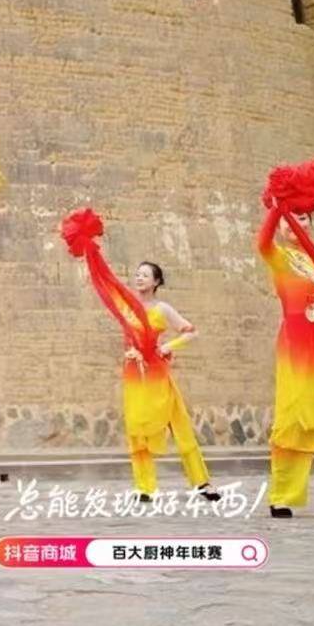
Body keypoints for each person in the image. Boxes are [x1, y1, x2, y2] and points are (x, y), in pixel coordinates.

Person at [68, 212, 207, 500]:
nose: (139, 277)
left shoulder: (162, 309)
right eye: (138, 274)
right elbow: (104, 282)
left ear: (156, 282)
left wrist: (169, 347)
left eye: (145, 274)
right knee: (136, 430)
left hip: (157, 374)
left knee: (180, 426)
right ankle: (145, 488)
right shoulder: (127, 305)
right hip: (134, 375)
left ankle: (202, 483)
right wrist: (91, 250)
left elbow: (191, 331)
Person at [253, 162, 314, 517]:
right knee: (294, 418)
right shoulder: (280, 259)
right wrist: (278, 206)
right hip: (297, 348)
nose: (297, 223)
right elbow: (261, 242)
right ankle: (283, 496)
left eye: (304, 217)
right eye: (290, 218)